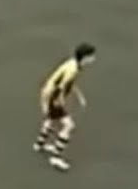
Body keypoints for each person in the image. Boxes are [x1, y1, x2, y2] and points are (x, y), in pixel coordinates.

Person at [33, 43, 97, 172]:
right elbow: (61, 86)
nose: (93, 59)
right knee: (69, 126)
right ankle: (56, 157)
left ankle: (39, 145)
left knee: (51, 120)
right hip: (53, 97)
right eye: (91, 56)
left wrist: (78, 95)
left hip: (48, 93)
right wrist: (60, 102)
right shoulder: (73, 70)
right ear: (85, 57)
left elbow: (66, 82)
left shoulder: (72, 63)